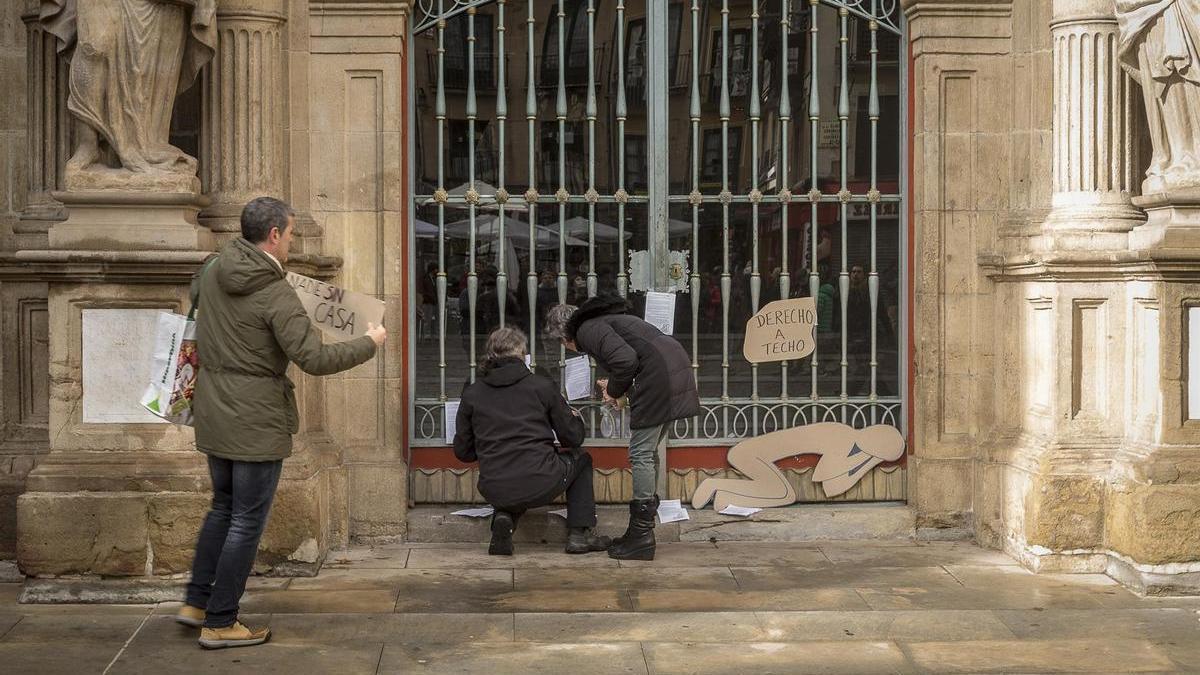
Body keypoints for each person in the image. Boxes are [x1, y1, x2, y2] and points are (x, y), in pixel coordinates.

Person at [178, 197, 386, 649]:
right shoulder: (276, 292)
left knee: (223, 507)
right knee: (246, 522)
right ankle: (221, 620)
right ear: (273, 234)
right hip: (255, 419)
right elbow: (313, 358)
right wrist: (369, 342)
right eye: (291, 234)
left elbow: (196, 296)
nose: (292, 242)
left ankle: (196, 602)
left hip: (214, 409)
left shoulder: (214, 270)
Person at [544, 293, 701, 561]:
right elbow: (633, 357)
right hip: (670, 367)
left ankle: (641, 535)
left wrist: (616, 390)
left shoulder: (588, 330)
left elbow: (626, 362)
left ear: (564, 337)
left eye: (561, 343)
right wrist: (621, 392)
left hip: (659, 375)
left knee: (640, 453)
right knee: (649, 452)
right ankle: (640, 531)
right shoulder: (600, 323)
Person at [453, 327, 610, 556]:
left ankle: (504, 519)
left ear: (490, 355)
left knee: (512, 477)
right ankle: (579, 534)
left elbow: (463, 452)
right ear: (522, 354)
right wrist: (574, 419)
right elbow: (573, 438)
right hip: (541, 479)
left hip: (494, 486)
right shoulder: (541, 386)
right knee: (582, 459)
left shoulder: (473, 393)